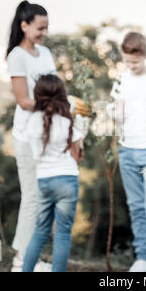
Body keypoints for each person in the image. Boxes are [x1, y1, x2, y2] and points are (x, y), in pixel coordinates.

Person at [109, 32, 146, 272]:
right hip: (127, 150)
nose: (131, 66)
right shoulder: (121, 80)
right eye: (126, 61)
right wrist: (113, 115)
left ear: (145, 55)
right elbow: (117, 113)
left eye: (135, 61)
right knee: (135, 206)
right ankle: (142, 257)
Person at [6, 0, 56, 272]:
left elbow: (56, 87)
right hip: (26, 136)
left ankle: (32, 257)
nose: (44, 33)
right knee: (32, 197)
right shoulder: (17, 56)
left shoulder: (45, 53)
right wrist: (55, 103)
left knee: (44, 196)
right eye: (40, 27)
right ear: (24, 26)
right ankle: (20, 261)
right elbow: (24, 101)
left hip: (47, 135)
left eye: (47, 28)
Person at [22, 74, 83, 272]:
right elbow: (77, 156)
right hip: (67, 180)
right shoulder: (67, 121)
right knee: (63, 234)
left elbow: (35, 154)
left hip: (44, 181)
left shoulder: (31, 122)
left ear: (38, 95)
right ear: (62, 95)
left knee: (40, 232)